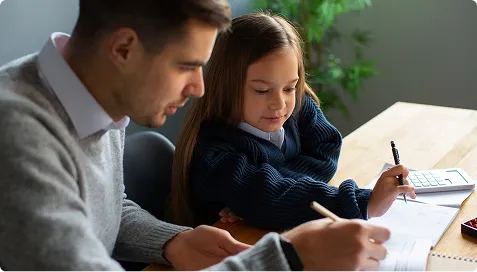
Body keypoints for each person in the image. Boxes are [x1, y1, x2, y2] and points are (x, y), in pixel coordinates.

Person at [0, 1, 390, 271]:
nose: (200, 89)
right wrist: (288, 258)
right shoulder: (17, 136)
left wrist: (171, 242)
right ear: (123, 48)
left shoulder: (93, 101)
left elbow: (108, 210)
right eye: (187, 66)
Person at [170, 12, 416, 230]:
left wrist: (269, 186)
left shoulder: (297, 106)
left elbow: (326, 152)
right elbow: (274, 198)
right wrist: (366, 203)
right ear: (226, 88)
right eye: (261, 90)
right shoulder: (213, 153)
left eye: (289, 87)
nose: (280, 103)